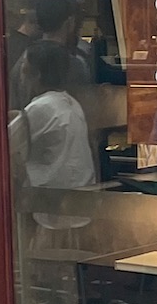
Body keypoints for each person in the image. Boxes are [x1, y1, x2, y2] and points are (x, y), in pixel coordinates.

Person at [8, 39, 96, 227]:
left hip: (52, 211)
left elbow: (4, 144)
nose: (21, 76)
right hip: (79, 205)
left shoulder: (41, 108)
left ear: (37, 75)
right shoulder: (68, 102)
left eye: (24, 68)